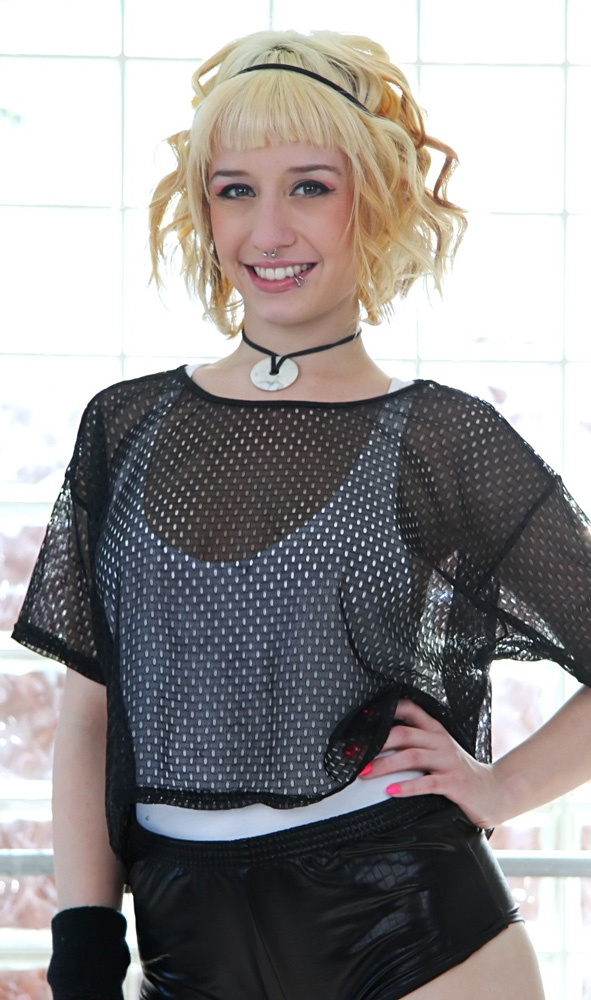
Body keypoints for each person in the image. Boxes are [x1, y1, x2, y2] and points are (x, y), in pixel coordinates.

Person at [11, 28, 591, 1000]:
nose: (268, 231)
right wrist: (82, 949)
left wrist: (504, 787)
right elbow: (88, 718)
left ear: (377, 201)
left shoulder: (442, 437)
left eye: (310, 187)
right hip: (187, 943)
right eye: (236, 189)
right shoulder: (126, 427)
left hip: (416, 935)